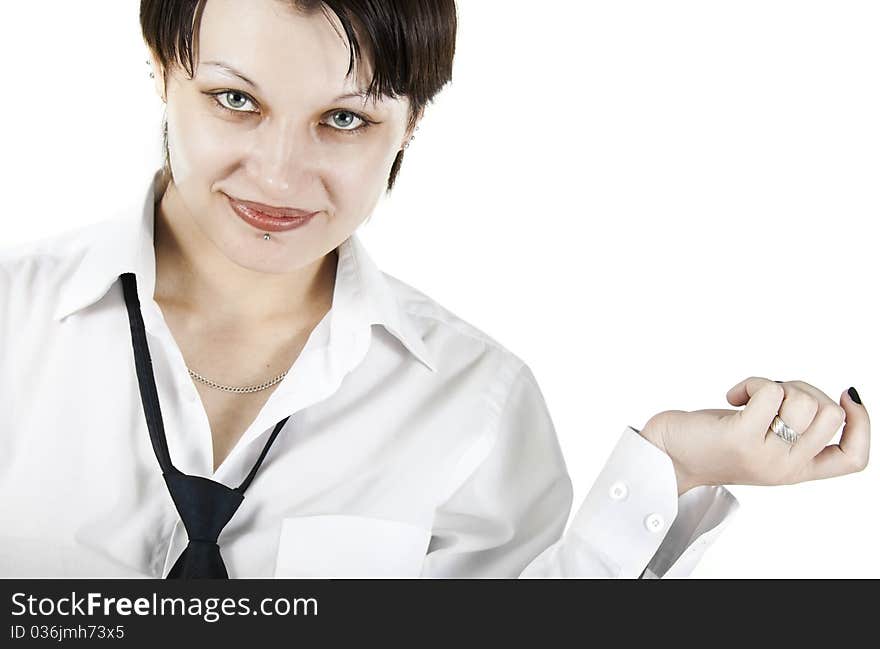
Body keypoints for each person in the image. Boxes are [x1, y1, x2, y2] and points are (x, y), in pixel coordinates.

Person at [0, 0, 870, 579]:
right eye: (235, 100)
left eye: (344, 118)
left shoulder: (475, 399)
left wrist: (679, 465)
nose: (279, 173)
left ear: (411, 119)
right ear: (160, 69)